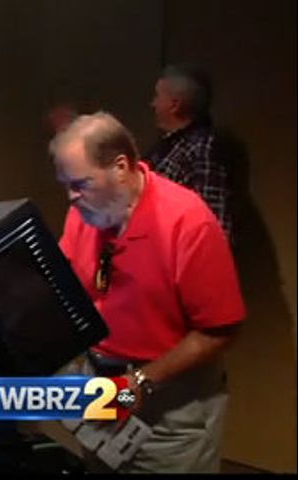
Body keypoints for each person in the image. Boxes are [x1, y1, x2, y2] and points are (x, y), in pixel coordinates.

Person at [51, 112, 245, 473]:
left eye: (80, 183)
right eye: (66, 185)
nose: (71, 197)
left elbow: (220, 330)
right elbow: (67, 285)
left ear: (120, 167)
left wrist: (141, 381)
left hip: (169, 409)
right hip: (103, 390)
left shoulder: (188, 221)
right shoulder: (85, 213)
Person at [147, 64, 233, 241]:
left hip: (179, 253)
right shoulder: (166, 147)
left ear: (174, 105)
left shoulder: (203, 147)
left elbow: (213, 224)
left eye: (157, 96)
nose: (152, 104)